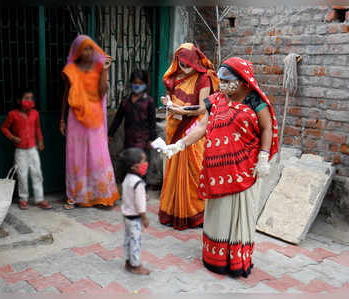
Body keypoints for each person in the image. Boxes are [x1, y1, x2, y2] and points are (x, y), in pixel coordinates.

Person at [163, 57, 279, 278]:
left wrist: (264, 156)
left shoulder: (256, 102)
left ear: (244, 81)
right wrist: (180, 144)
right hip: (216, 170)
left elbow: (267, 128)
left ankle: (235, 261)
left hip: (244, 169)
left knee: (238, 215)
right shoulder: (216, 100)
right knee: (218, 214)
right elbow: (202, 127)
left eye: (228, 81)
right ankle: (213, 259)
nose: (223, 85)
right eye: (221, 81)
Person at [158, 43, 219, 230]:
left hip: (194, 128)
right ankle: (173, 211)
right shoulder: (174, 77)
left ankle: (195, 214)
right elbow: (171, 97)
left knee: (194, 170)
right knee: (173, 169)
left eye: (188, 64)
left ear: (194, 61)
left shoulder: (204, 78)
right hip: (174, 126)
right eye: (181, 63)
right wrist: (168, 103)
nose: (184, 68)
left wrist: (181, 109)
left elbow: (203, 108)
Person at [60, 35, 119, 209]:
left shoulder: (100, 67)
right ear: (77, 50)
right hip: (75, 119)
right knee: (75, 156)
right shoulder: (70, 69)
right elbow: (65, 95)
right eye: (84, 48)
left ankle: (101, 194)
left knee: (97, 154)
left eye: (90, 48)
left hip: (95, 119)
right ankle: (75, 196)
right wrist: (62, 119)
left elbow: (102, 92)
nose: (88, 52)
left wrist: (106, 70)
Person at [1, 89, 52, 210]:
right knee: (22, 175)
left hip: (33, 149)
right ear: (19, 100)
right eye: (26, 98)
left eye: (31, 98)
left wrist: (40, 141)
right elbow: (4, 128)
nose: (29, 101)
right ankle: (23, 199)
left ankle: (39, 199)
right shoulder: (12, 114)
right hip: (20, 151)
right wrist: (12, 137)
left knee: (37, 173)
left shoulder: (35, 113)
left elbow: (38, 128)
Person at [108, 69, 158, 163]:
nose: (137, 85)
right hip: (129, 140)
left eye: (140, 83)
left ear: (145, 84)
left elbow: (152, 123)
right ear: (131, 83)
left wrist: (152, 139)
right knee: (129, 165)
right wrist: (110, 134)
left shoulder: (149, 101)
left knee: (141, 166)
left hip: (144, 141)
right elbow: (117, 119)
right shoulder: (125, 101)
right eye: (135, 83)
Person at [119, 147, 150, 275]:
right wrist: (144, 218)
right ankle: (135, 265)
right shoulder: (138, 183)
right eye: (144, 161)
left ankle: (128, 260)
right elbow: (140, 205)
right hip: (135, 217)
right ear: (135, 166)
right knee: (135, 241)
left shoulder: (127, 178)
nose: (145, 164)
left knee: (127, 239)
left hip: (126, 216)